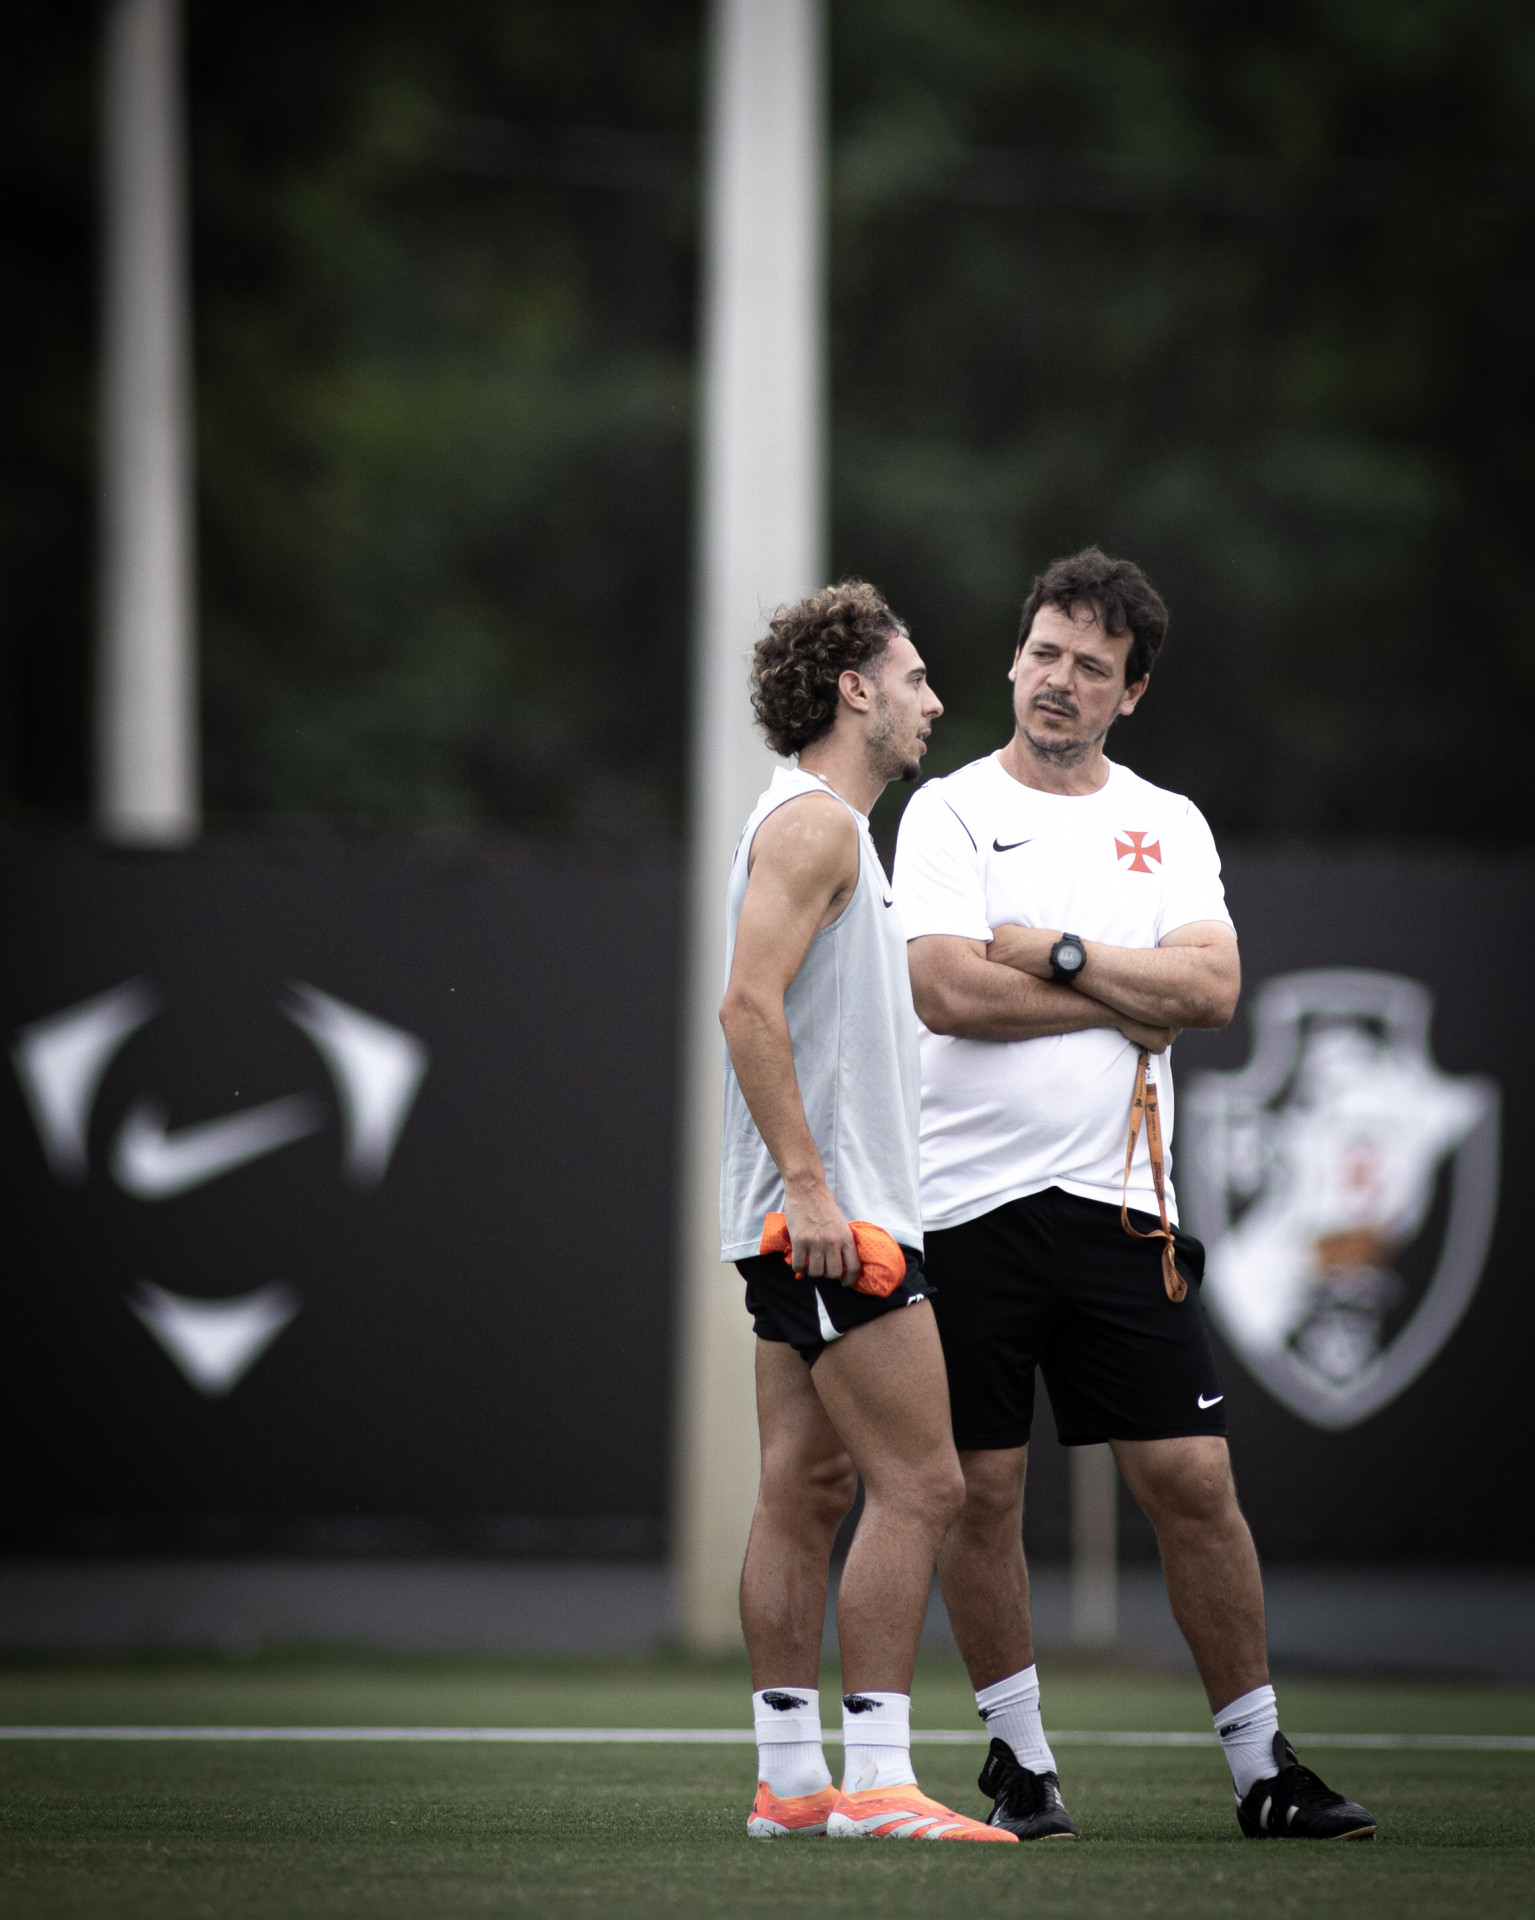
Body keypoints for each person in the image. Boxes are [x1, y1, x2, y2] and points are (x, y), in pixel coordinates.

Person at [892, 547, 1377, 1843]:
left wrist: (1050, 953)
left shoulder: (1165, 821)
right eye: (1043, 654)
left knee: (1189, 1480)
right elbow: (944, 992)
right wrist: (1123, 988)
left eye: (1088, 668)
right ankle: (1018, 1758)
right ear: (1011, 657)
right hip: (961, 1205)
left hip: (1119, 1208)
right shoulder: (943, 810)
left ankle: (1261, 1768)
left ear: (1129, 692)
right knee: (979, 1492)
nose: (1057, 683)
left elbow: (1209, 993)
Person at [720, 580, 1014, 1844]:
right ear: (855, 690)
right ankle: (880, 1783)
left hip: (807, 1220)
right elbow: (746, 1006)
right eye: (914, 678)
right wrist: (810, 1186)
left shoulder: (828, 828)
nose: (934, 700)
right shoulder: (818, 828)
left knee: (808, 1482)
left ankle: (791, 1785)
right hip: (832, 1222)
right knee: (926, 1484)